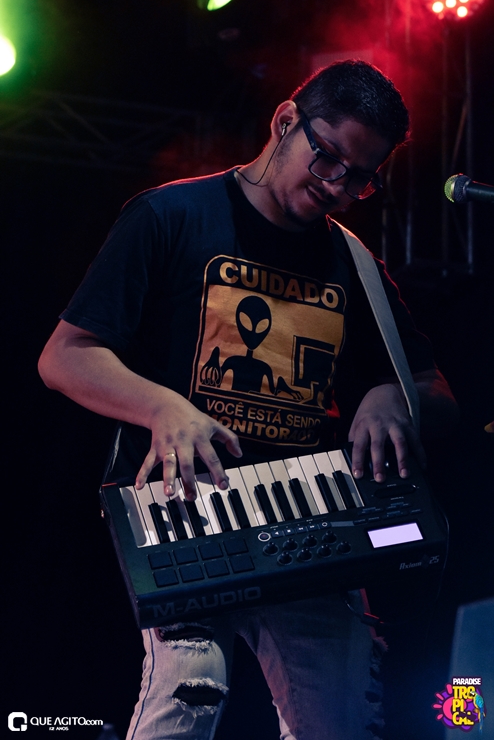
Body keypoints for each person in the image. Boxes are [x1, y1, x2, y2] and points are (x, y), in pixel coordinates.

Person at [38, 60, 458, 740]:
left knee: (342, 721)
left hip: (310, 518)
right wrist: (163, 407)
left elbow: (436, 391)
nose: (338, 186)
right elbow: (65, 354)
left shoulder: (354, 263)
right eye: (328, 157)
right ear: (286, 121)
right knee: (189, 691)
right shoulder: (169, 215)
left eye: (360, 177)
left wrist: (392, 394)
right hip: (188, 505)